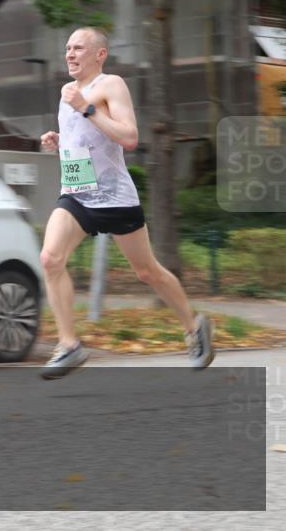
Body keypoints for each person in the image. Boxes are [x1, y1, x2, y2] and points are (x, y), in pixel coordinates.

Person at [38, 27, 215, 379]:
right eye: (68, 48)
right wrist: (59, 141)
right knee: (50, 258)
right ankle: (69, 344)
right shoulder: (67, 93)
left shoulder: (111, 85)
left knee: (146, 271)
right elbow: (85, 138)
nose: (70, 55)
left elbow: (129, 137)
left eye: (79, 48)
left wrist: (86, 108)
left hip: (114, 197)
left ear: (99, 54)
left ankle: (194, 327)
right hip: (77, 193)